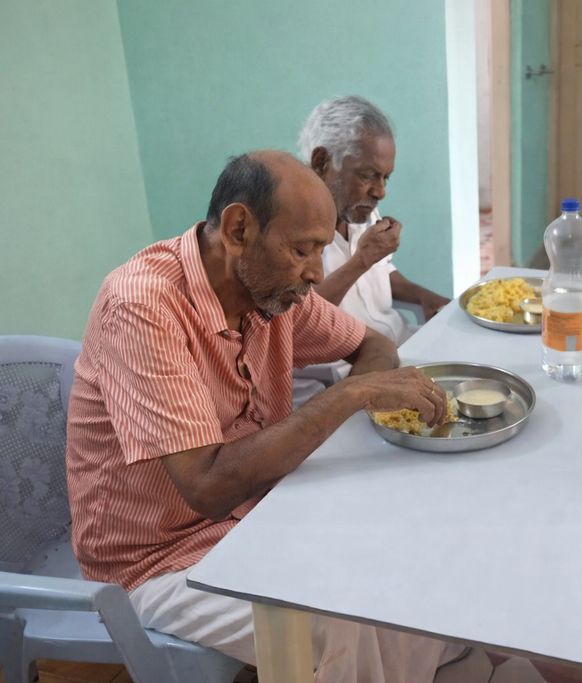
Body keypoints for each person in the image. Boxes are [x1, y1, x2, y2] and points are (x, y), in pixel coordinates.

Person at [65, 150, 464, 683]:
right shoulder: (143, 306)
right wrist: (350, 397)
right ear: (238, 229)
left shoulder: (273, 290)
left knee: (415, 546)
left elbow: (371, 344)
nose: (317, 272)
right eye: (303, 250)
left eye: (322, 250)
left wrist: (366, 386)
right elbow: (207, 487)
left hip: (263, 514)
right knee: (367, 616)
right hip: (157, 560)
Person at [299, 95, 449, 347]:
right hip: (351, 371)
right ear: (321, 162)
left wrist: (422, 296)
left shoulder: (357, 210)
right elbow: (297, 322)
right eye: (368, 175)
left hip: (399, 343)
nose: (380, 192)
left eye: (385, 178)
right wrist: (362, 260)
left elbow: (382, 272)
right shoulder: (287, 230)